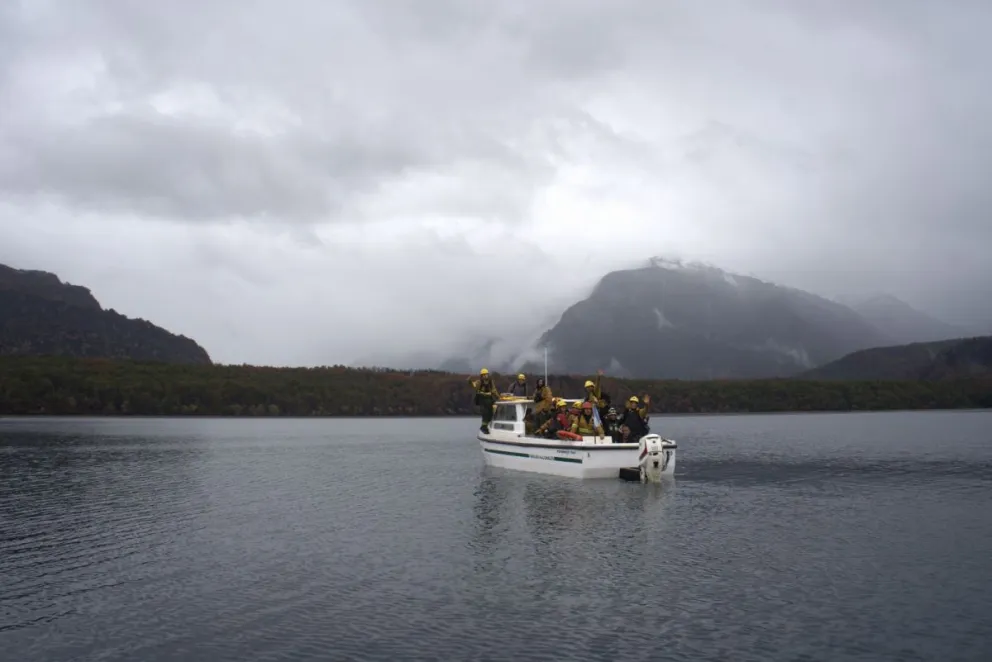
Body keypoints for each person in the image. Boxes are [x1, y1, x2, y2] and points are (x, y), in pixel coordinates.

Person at [468, 368, 500, 434]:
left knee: (491, 411)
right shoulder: (479, 382)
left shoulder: (491, 382)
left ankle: (487, 425)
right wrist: (469, 381)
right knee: (485, 413)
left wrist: (499, 397)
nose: (485, 376)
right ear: (482, 376)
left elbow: (494, 390)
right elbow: (474, 385)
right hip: (482, 399)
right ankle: (483, 427)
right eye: (484, 375)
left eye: (486, 374)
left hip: (489, 398)